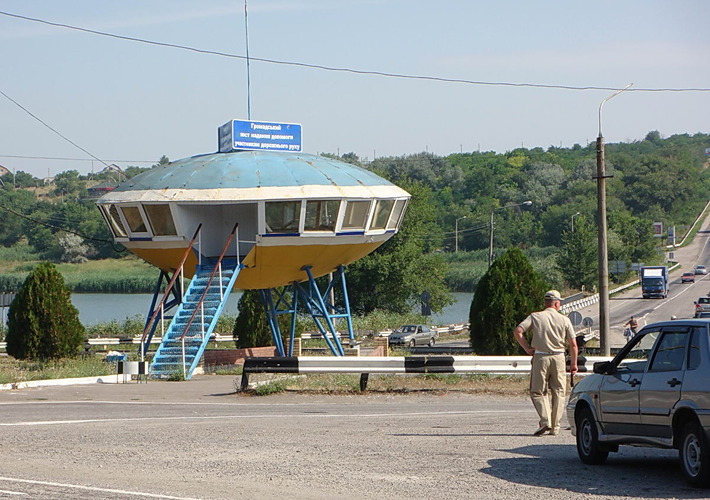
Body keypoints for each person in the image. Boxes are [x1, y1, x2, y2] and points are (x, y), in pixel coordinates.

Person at [513, 290, 578, 436]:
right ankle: (555, 426)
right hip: (559, 357)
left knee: (538, 391)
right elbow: (573, 344)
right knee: (559, 391)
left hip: (540, 357)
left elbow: (518, 331)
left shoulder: (535, 316)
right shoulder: (564, 320)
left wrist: (527, 349)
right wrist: (573, 364)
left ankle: (545, 420)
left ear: (545, 302)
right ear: (556, 303)